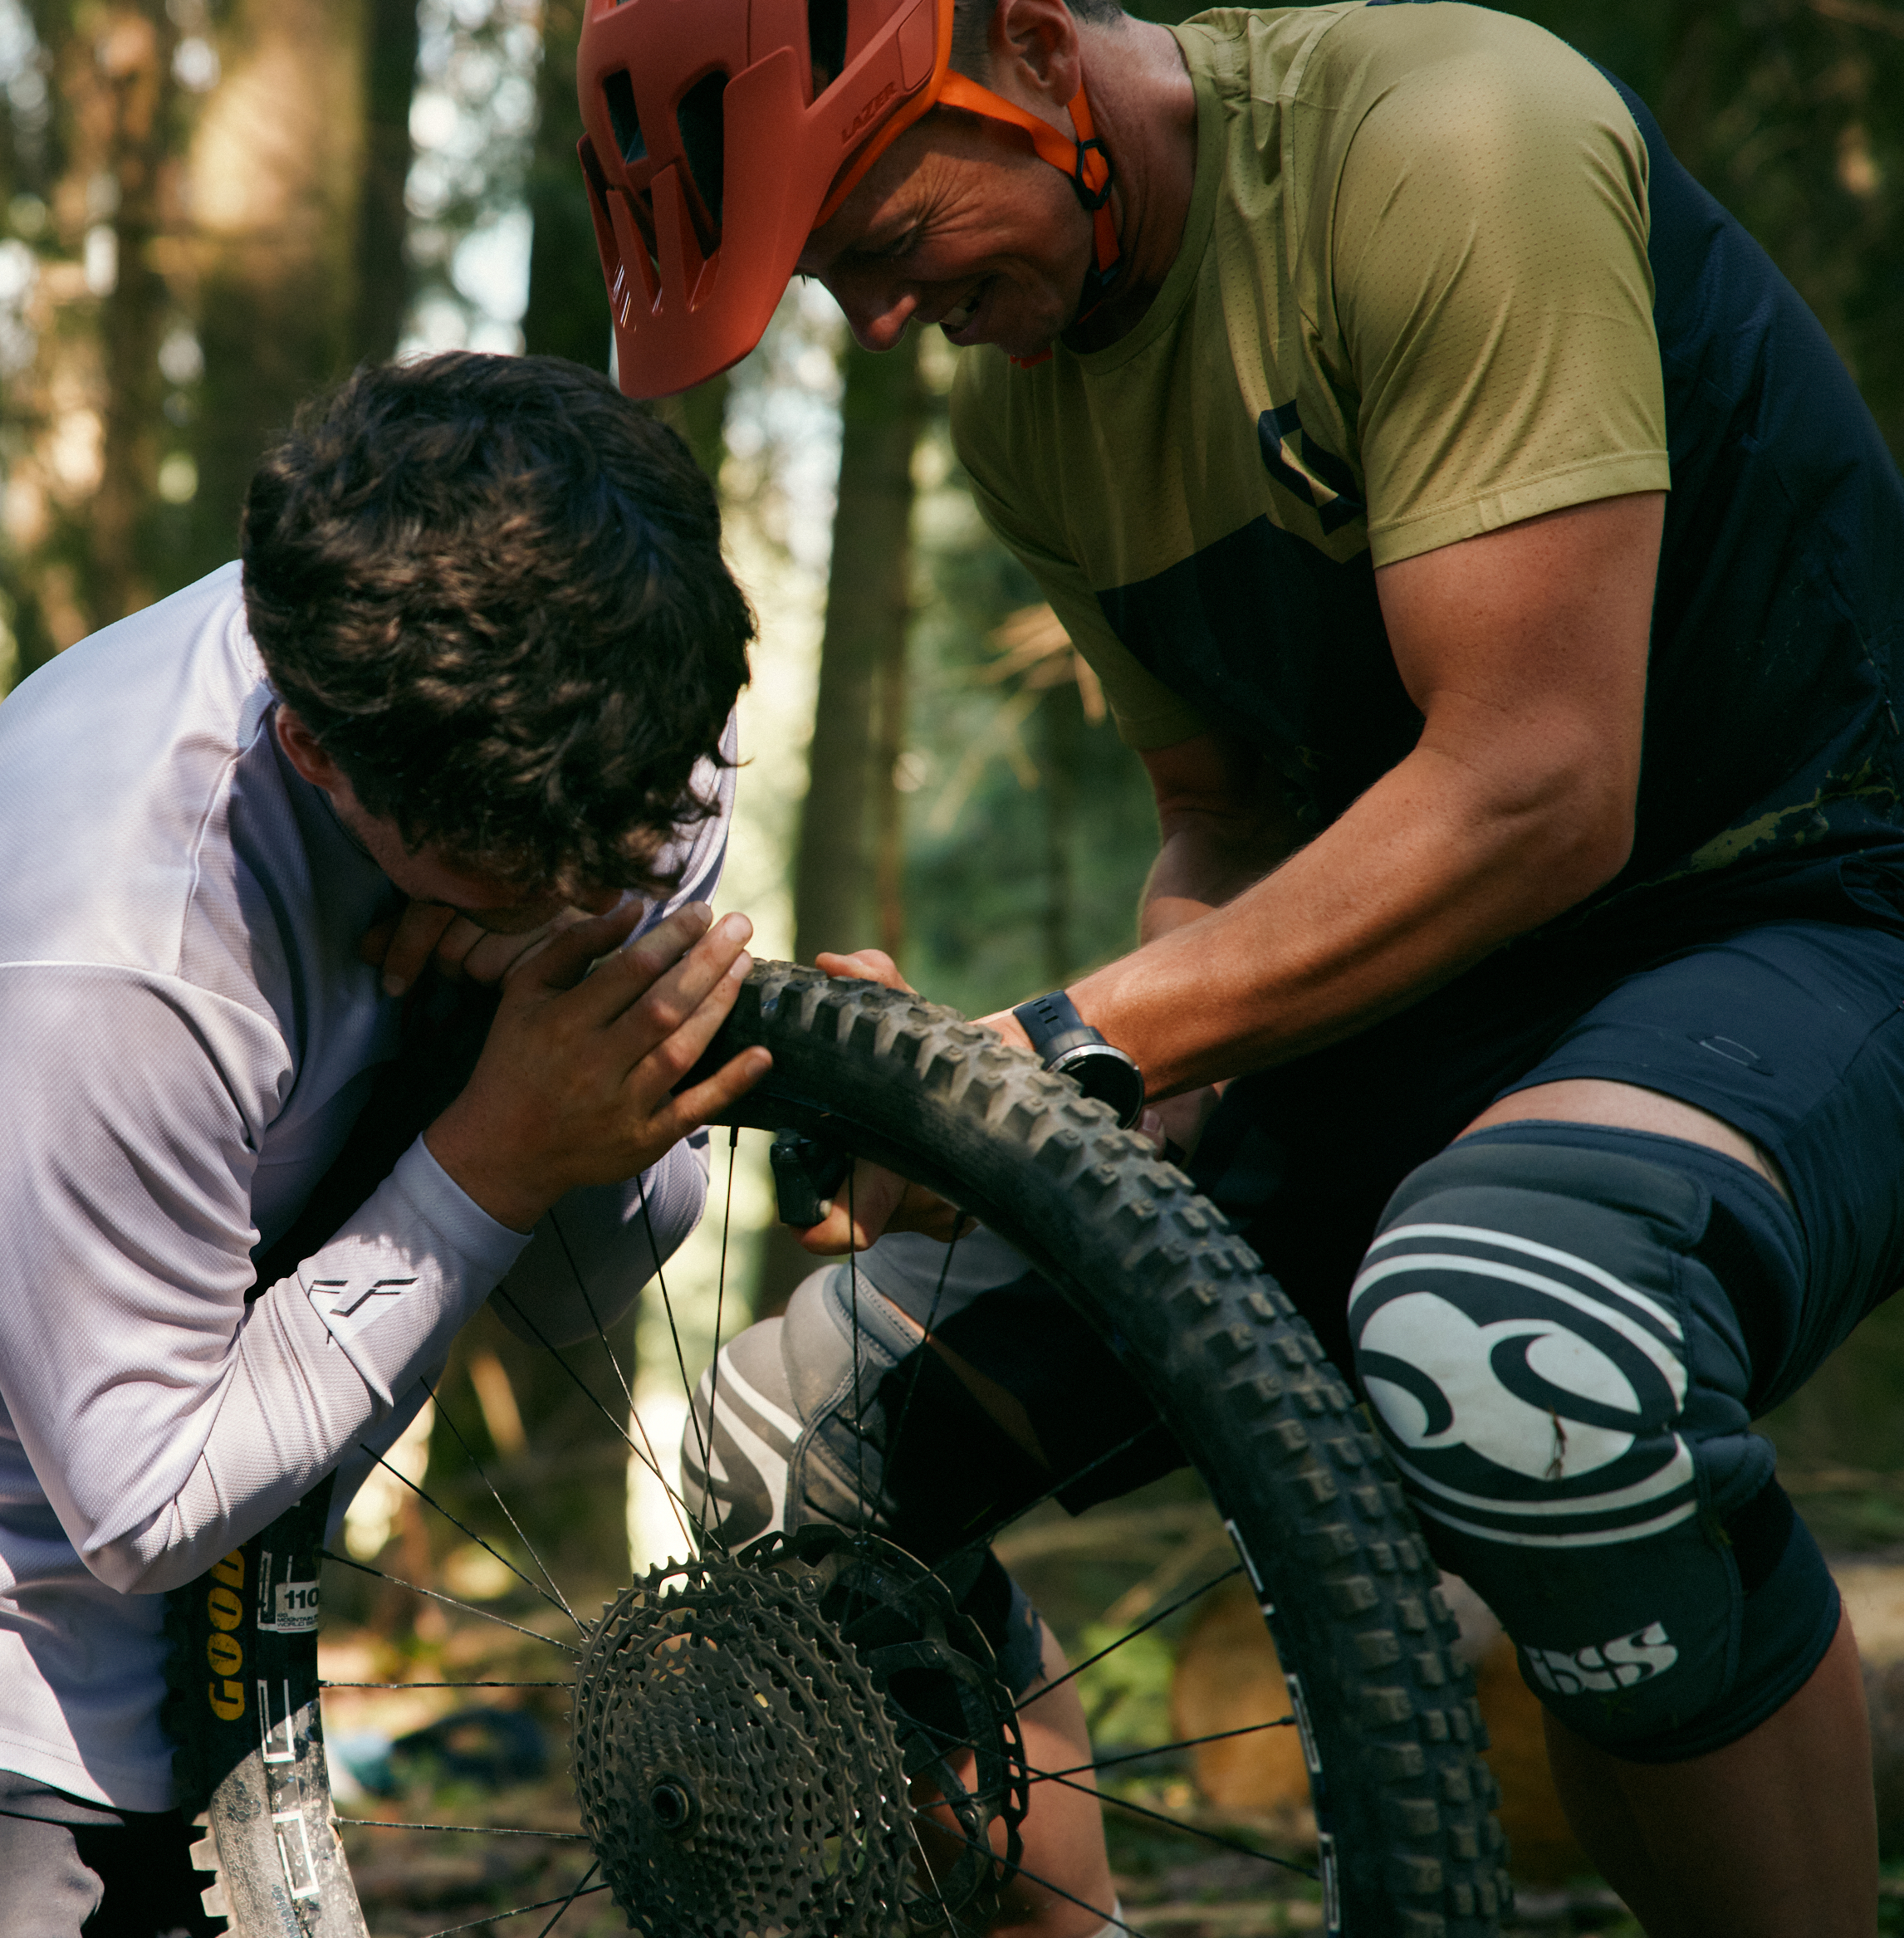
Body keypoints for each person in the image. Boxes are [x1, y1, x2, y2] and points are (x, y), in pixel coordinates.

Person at [571, 0, 1904, 1931]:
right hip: (1414, 997)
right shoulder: (1021, 404)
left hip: (1798, 902)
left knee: (1517, 1338)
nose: (871, 323)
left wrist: (1061, 1049)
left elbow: (1537, 784)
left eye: (880, 238)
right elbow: (1225, 825)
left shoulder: (1449, 139)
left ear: (1030, 52)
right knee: (789, 1439)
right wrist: (1082, 1116)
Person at [0, 351, 771, 1938]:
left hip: (197, 1614)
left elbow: (569, 1299)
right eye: (523, 869)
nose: (604, 884)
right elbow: (143, 1498)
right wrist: (493, 1146)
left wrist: (594, 1061)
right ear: (322, 760)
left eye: (637, 839)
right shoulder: (111, 924)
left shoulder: (599, 723)